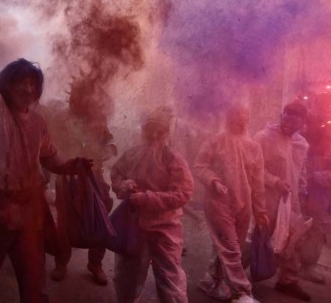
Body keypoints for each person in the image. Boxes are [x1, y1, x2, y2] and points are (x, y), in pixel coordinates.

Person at [0, 0, 91, 303]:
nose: (27, 89)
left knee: (34, 287)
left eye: (32, 85)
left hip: (30, 209)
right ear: (6, 86)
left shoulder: (38, 122)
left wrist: (71, 166)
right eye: (20, 83)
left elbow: (50, 157)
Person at [110, 106, 193, 303]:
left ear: (166, 133)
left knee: (170, 280)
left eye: (159, 130)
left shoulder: (174, 159)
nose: (154, 135)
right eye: (150, 129)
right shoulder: (132, 153)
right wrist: (123, 185)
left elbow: (183, 193)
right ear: (144, 130)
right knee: (126, 278)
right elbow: (116, 173)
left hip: (165, 228)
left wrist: (147, 198)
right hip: (134, 226)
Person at [194, 105, 268, 303]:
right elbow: (200, 166)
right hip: (218, 202)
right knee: (231, 247)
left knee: (228, 244)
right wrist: (213, 181)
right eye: (236, 116)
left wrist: (260, 211)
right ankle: (241, 292)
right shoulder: (215, 141)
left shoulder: (254, 146)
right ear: (228, 118)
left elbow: (258, 182)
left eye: (244, 116)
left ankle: (213, 280)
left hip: (243, 203)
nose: (241, 120)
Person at [44, 98, 116, 285]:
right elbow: (48, 148)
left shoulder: (99, 117)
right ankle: (61, 262)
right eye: (78, 94)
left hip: (95, 178)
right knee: (64, 222)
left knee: (100, 219)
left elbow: (108, 138)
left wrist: (108, 149)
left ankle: (95, 264)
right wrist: (47, 180)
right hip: (67, 178)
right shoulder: (60, 118)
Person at [254, 102, 311, 301]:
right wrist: (274, 181)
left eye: (294, 119)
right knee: (257, 238)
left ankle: (288, 281)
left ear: (302, 123)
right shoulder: (264, 138)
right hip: (267, 199)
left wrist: (303, 188)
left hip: (291, 201)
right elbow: (253, 169)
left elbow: (301, 169)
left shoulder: (302, 143)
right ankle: (230, 277)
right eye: (286, 116)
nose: (288, 122)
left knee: (293, 240)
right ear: (281, 115)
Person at [299, 113, 331, 284]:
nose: (310, 128)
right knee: (292, 231)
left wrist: (316, 176)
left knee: (315, 232)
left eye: (314, 124)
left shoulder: (329, 148)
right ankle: (288, 266)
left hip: (318, 199)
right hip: (295, 195)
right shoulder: (295, 141)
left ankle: (308, 267)